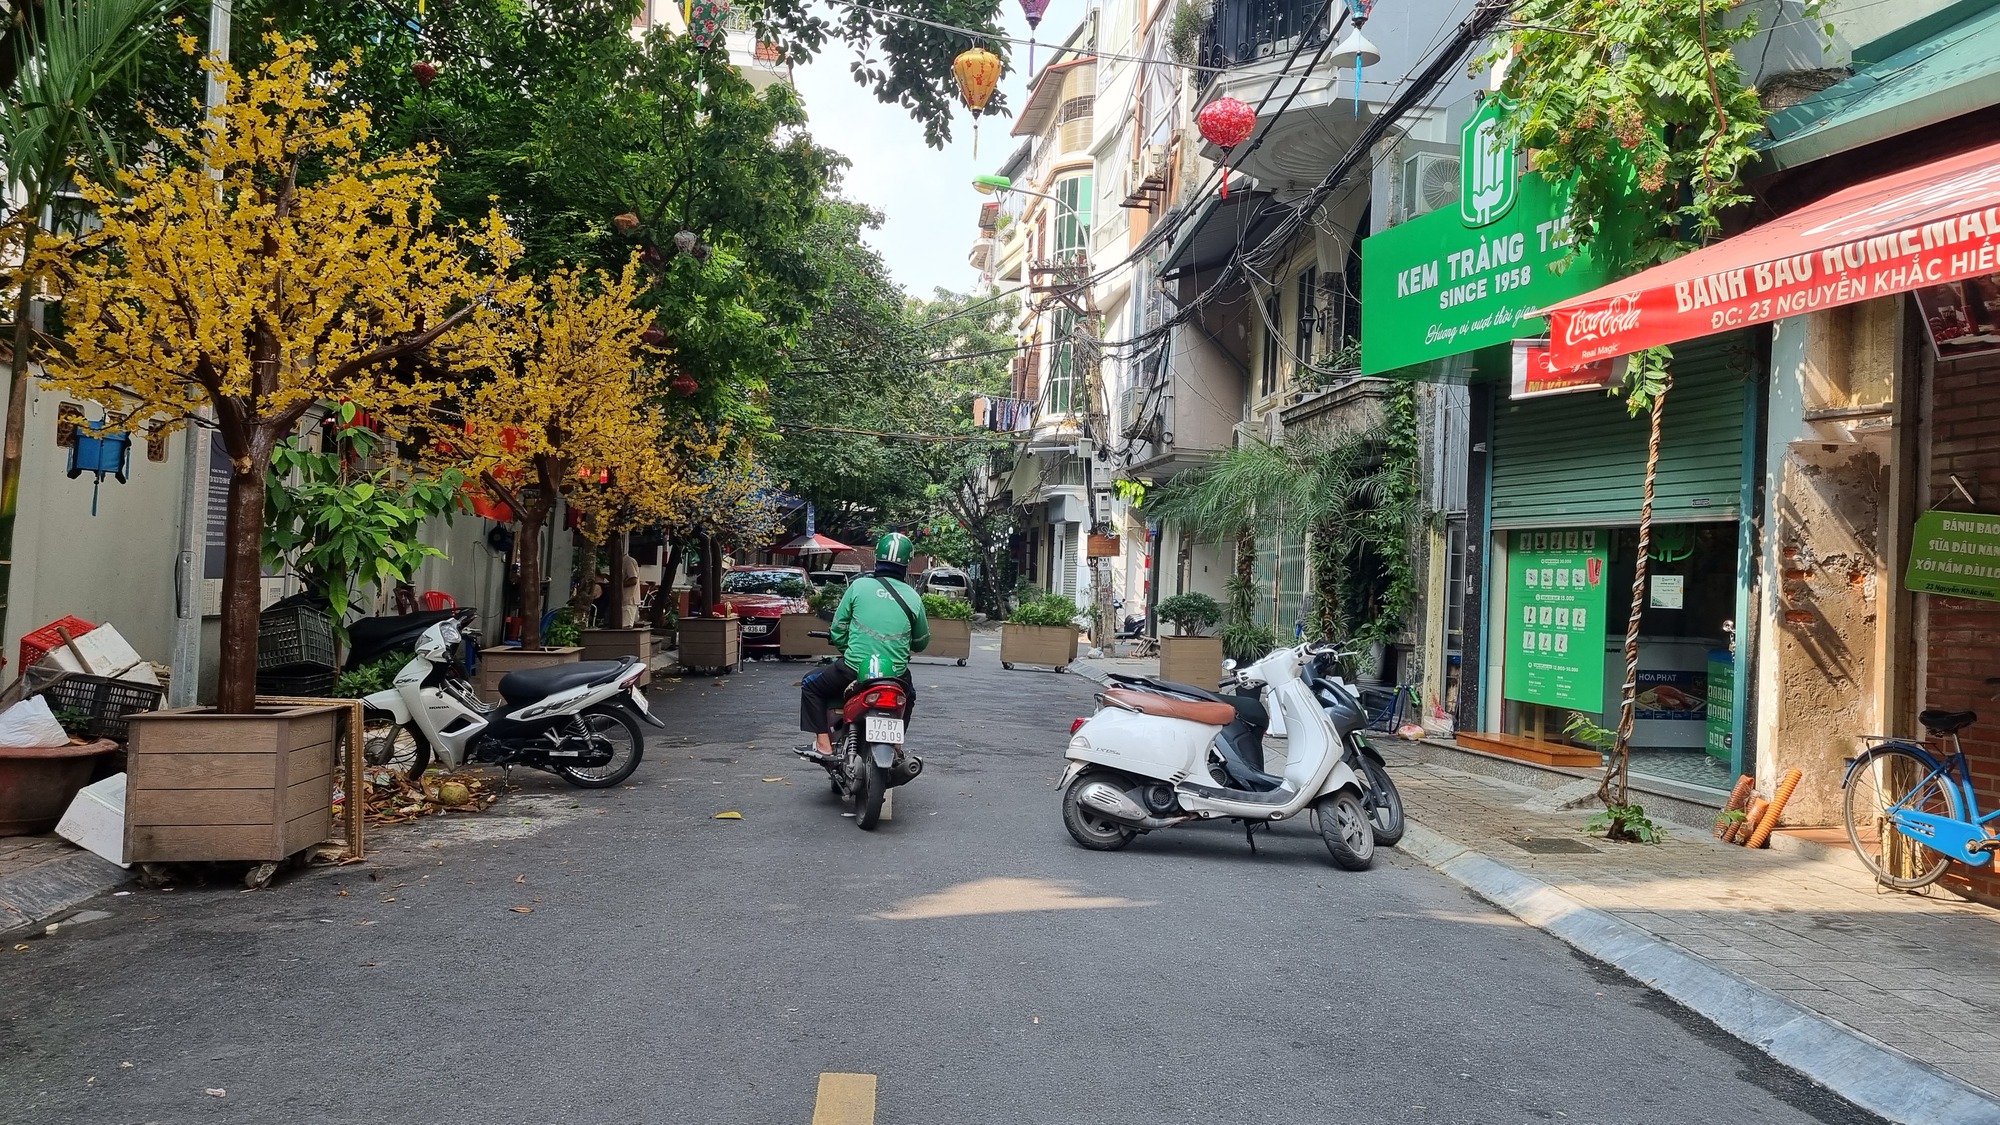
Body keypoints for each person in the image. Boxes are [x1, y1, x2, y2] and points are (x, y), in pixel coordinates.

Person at [798, 532, 930, 761]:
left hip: (853, 669)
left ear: (877, 558)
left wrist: (847, 647)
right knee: (909, 695)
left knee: (810, 684)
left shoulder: (858, 587)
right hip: (895, 675)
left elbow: (838, 630)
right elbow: (921, 642)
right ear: (907, 564)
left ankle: (823, 745)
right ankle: (897, 745)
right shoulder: (913, 598)